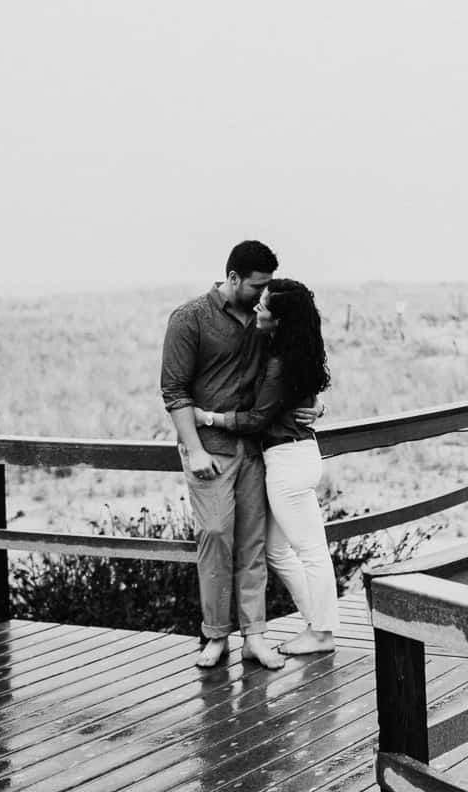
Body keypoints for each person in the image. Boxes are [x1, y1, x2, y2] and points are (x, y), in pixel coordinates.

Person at [160, 240, 318, 669]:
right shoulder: (190, 318)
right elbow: (173, 390)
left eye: (268, 286)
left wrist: (315, 402)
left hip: (255, 449)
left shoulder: (266, 319)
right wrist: (194, 449)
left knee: (252, 545)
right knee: (215, 536)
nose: (264, 294)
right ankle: (215, 636)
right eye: (257, 285)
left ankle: (255, 637)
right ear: (232, 278)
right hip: (209, 452)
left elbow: (296, 360)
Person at [194, 278, 338, 655]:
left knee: (310, 551)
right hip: (294, 456)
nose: (257, 307)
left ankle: (322, 633)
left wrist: (208, 418)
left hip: (288, 462)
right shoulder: (294, 351)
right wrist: (317, 406)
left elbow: (257, 418)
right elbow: (299, 401)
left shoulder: (279, 363)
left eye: (264, 306)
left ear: (279, 320)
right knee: (276, 552)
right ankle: (317, 625)